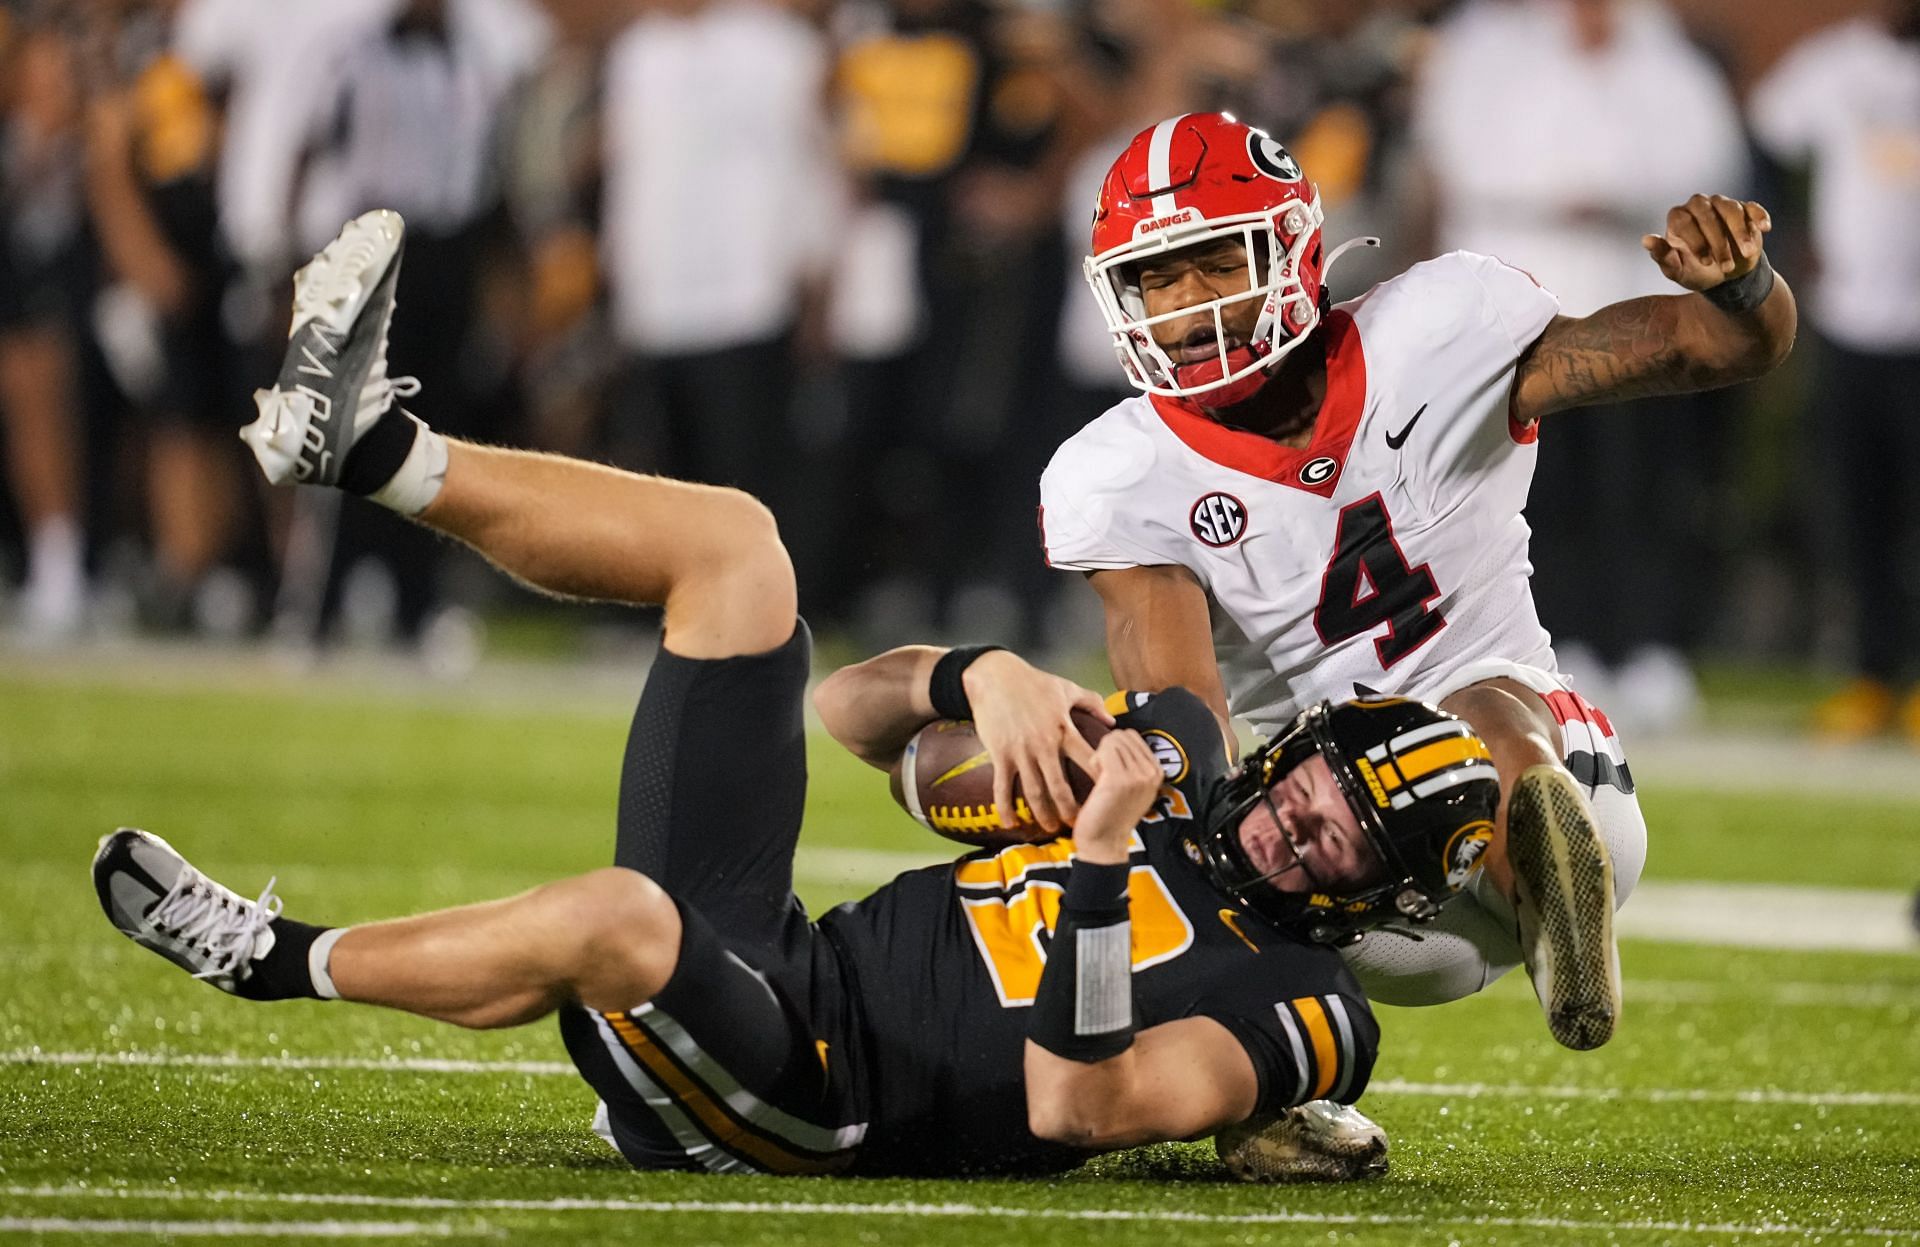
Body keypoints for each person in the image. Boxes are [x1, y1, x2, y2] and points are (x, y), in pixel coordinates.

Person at [91, 210, 1507, 1181]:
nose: (1292, 828)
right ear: (1293, 752)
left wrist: (1088, 867)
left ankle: (269, 954)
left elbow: (1079, 1101)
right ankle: (377, 448)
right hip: (772, 959)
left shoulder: (1316, 1010)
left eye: (1332, 843)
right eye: (1309, 791)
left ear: (1373, 896)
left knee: (620, 917)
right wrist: (978, 677)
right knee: (739, 547)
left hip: (811, 1096)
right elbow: (848, 714)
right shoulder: (1176, 780)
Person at [1039, 113, 1794, 1075]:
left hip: (1547, 772)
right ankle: (1269, 1070)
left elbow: (1718, 348)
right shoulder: (1121, 469)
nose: (1187, 305)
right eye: (1157, 276)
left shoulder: (1435, 329)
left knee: (1476, 710)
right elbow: (1189, 724)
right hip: (1329, 865)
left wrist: (1740, 287)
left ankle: (1541, 902)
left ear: (1291, 249)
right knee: (1208, 813)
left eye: (1217, 262)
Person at [1748, 0, 1920, 744]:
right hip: (1852, 322)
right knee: (1860, 509)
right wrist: (1788, 238)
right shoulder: (1837, 64)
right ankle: (1873, 676)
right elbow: (1764, 138)